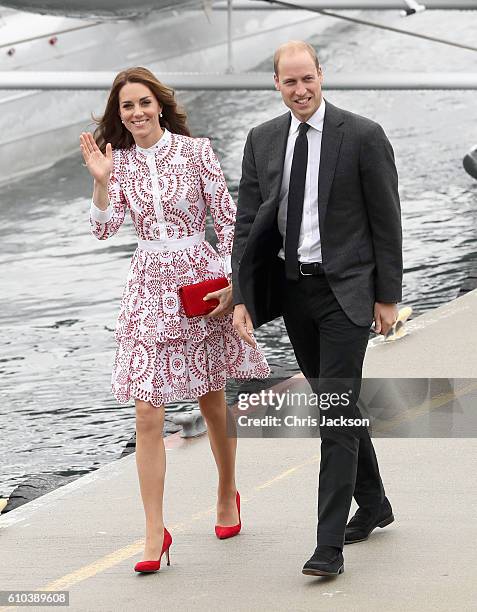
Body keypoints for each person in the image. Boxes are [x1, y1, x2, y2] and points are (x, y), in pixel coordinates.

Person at [80, 66, 270, 574]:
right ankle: (153, 531)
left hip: (198, 280)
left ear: (159, 104)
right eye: (126, 107)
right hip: (147, 286)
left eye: (143, 102)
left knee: (210, 398)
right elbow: (103, 229)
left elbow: (228, 220)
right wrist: (101, 185)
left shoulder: (195, 151)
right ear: (118, 115)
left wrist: (236, 284)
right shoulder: (116, 162)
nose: (136, 113)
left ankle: (227, 492)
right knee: (147, 412)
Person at [232, 41, 402, 577]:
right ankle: (374, 504)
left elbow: (386, 219)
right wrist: (243, 295)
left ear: (321, 76)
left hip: (347, 294)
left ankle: (328, 546)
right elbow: (247, 224)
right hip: (294, 293)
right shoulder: (262, 140)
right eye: (290, 83)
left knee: (333, 410)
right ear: (277, 85)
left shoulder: (363, 135)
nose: (301, 91)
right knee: (341, 403)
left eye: (308, 79)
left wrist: (388, 296)